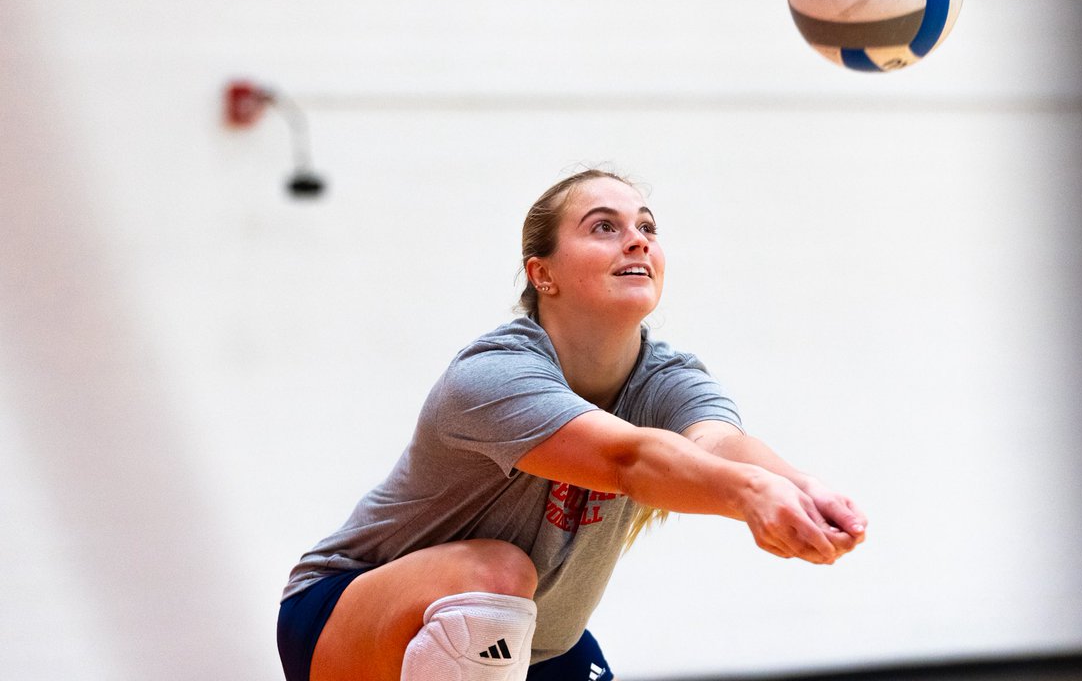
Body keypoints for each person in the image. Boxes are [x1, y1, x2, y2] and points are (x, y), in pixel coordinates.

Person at [276, 167, 868, 681]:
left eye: (647, 227)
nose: (636, 241)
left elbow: (717, 445)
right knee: (500, 572)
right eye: (604, 227)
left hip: (539, 645)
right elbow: (627, 460)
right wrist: (751, 496)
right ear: (543, 274)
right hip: (345, 612)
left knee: (511, 599)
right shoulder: (493, 375)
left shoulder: (666, 376)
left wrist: (800, 487)